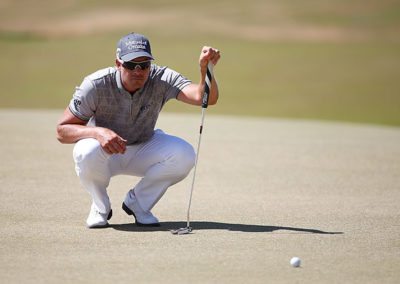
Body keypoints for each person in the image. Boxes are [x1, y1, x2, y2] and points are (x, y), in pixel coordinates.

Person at [56, 32, 220, 228]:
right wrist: (98, 132)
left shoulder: (161, 78)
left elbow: (206, 99)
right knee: (85, 151)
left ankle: (138, 204)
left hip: (144, 147)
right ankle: (100, 207)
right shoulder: (95, 84)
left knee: (184, 154)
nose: (138, 71)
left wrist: (205, 70)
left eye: (144, 65)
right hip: (104, 152)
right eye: (131, 65)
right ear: (118, 64)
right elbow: (62, 130)